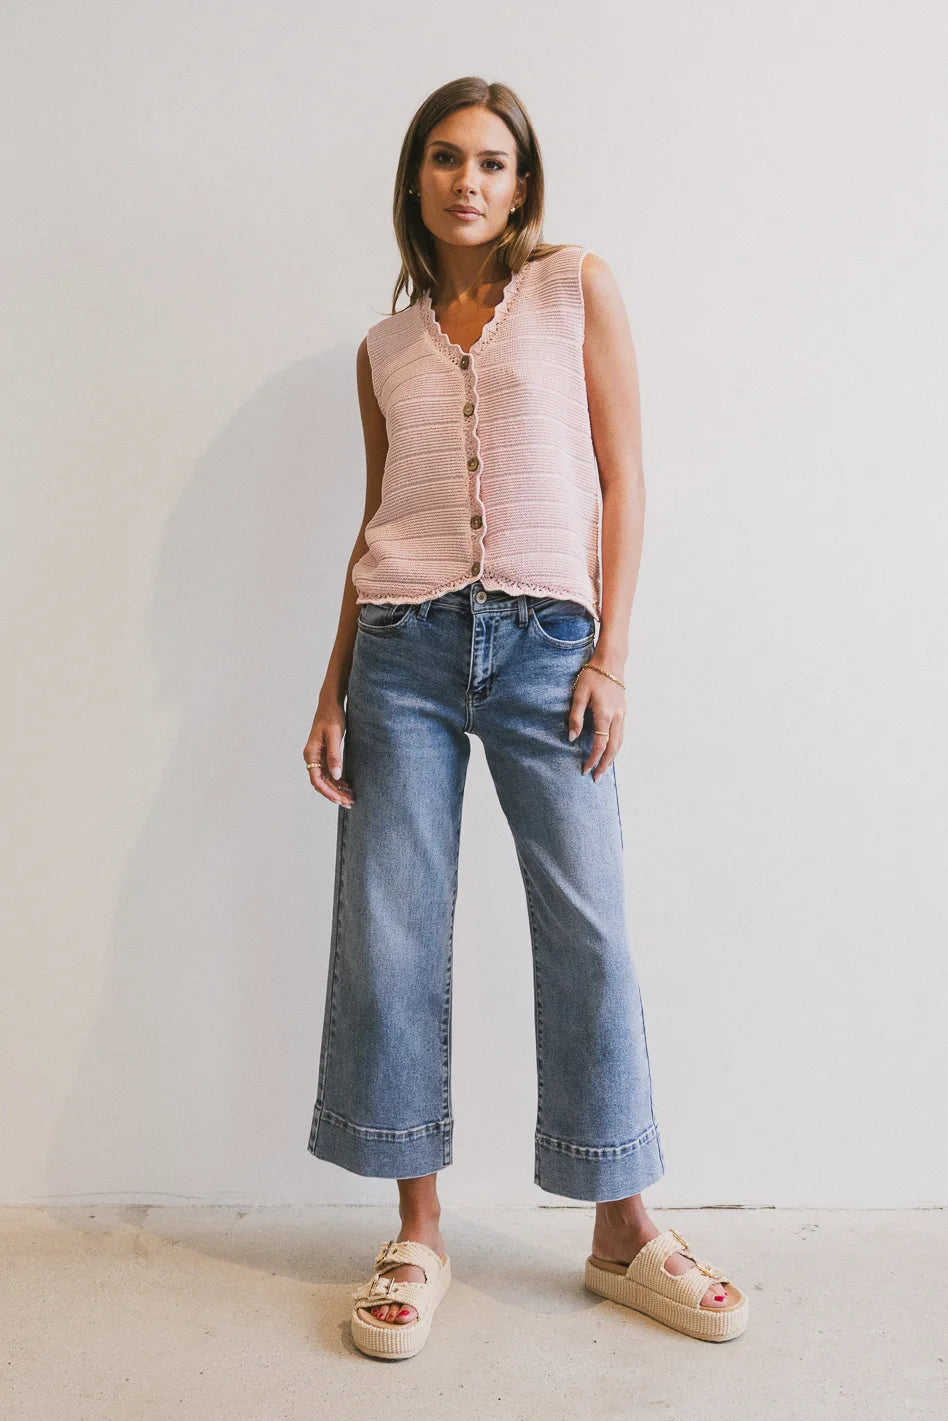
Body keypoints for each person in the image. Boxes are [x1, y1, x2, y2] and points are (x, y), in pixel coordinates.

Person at [302, 76, 748, 1358]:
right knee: (393, 933)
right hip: (401, 648)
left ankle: (623, 1224)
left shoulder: (573, 288)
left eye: (493, 162)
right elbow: (377, 516)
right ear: (416, 179)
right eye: (447, 158)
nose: (469, 181)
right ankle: (417, 1228)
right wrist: (333, 682)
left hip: (552, 646)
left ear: (522, 182)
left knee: (589, 926)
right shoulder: (384, 348)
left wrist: (615, 655)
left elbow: (625, 475)